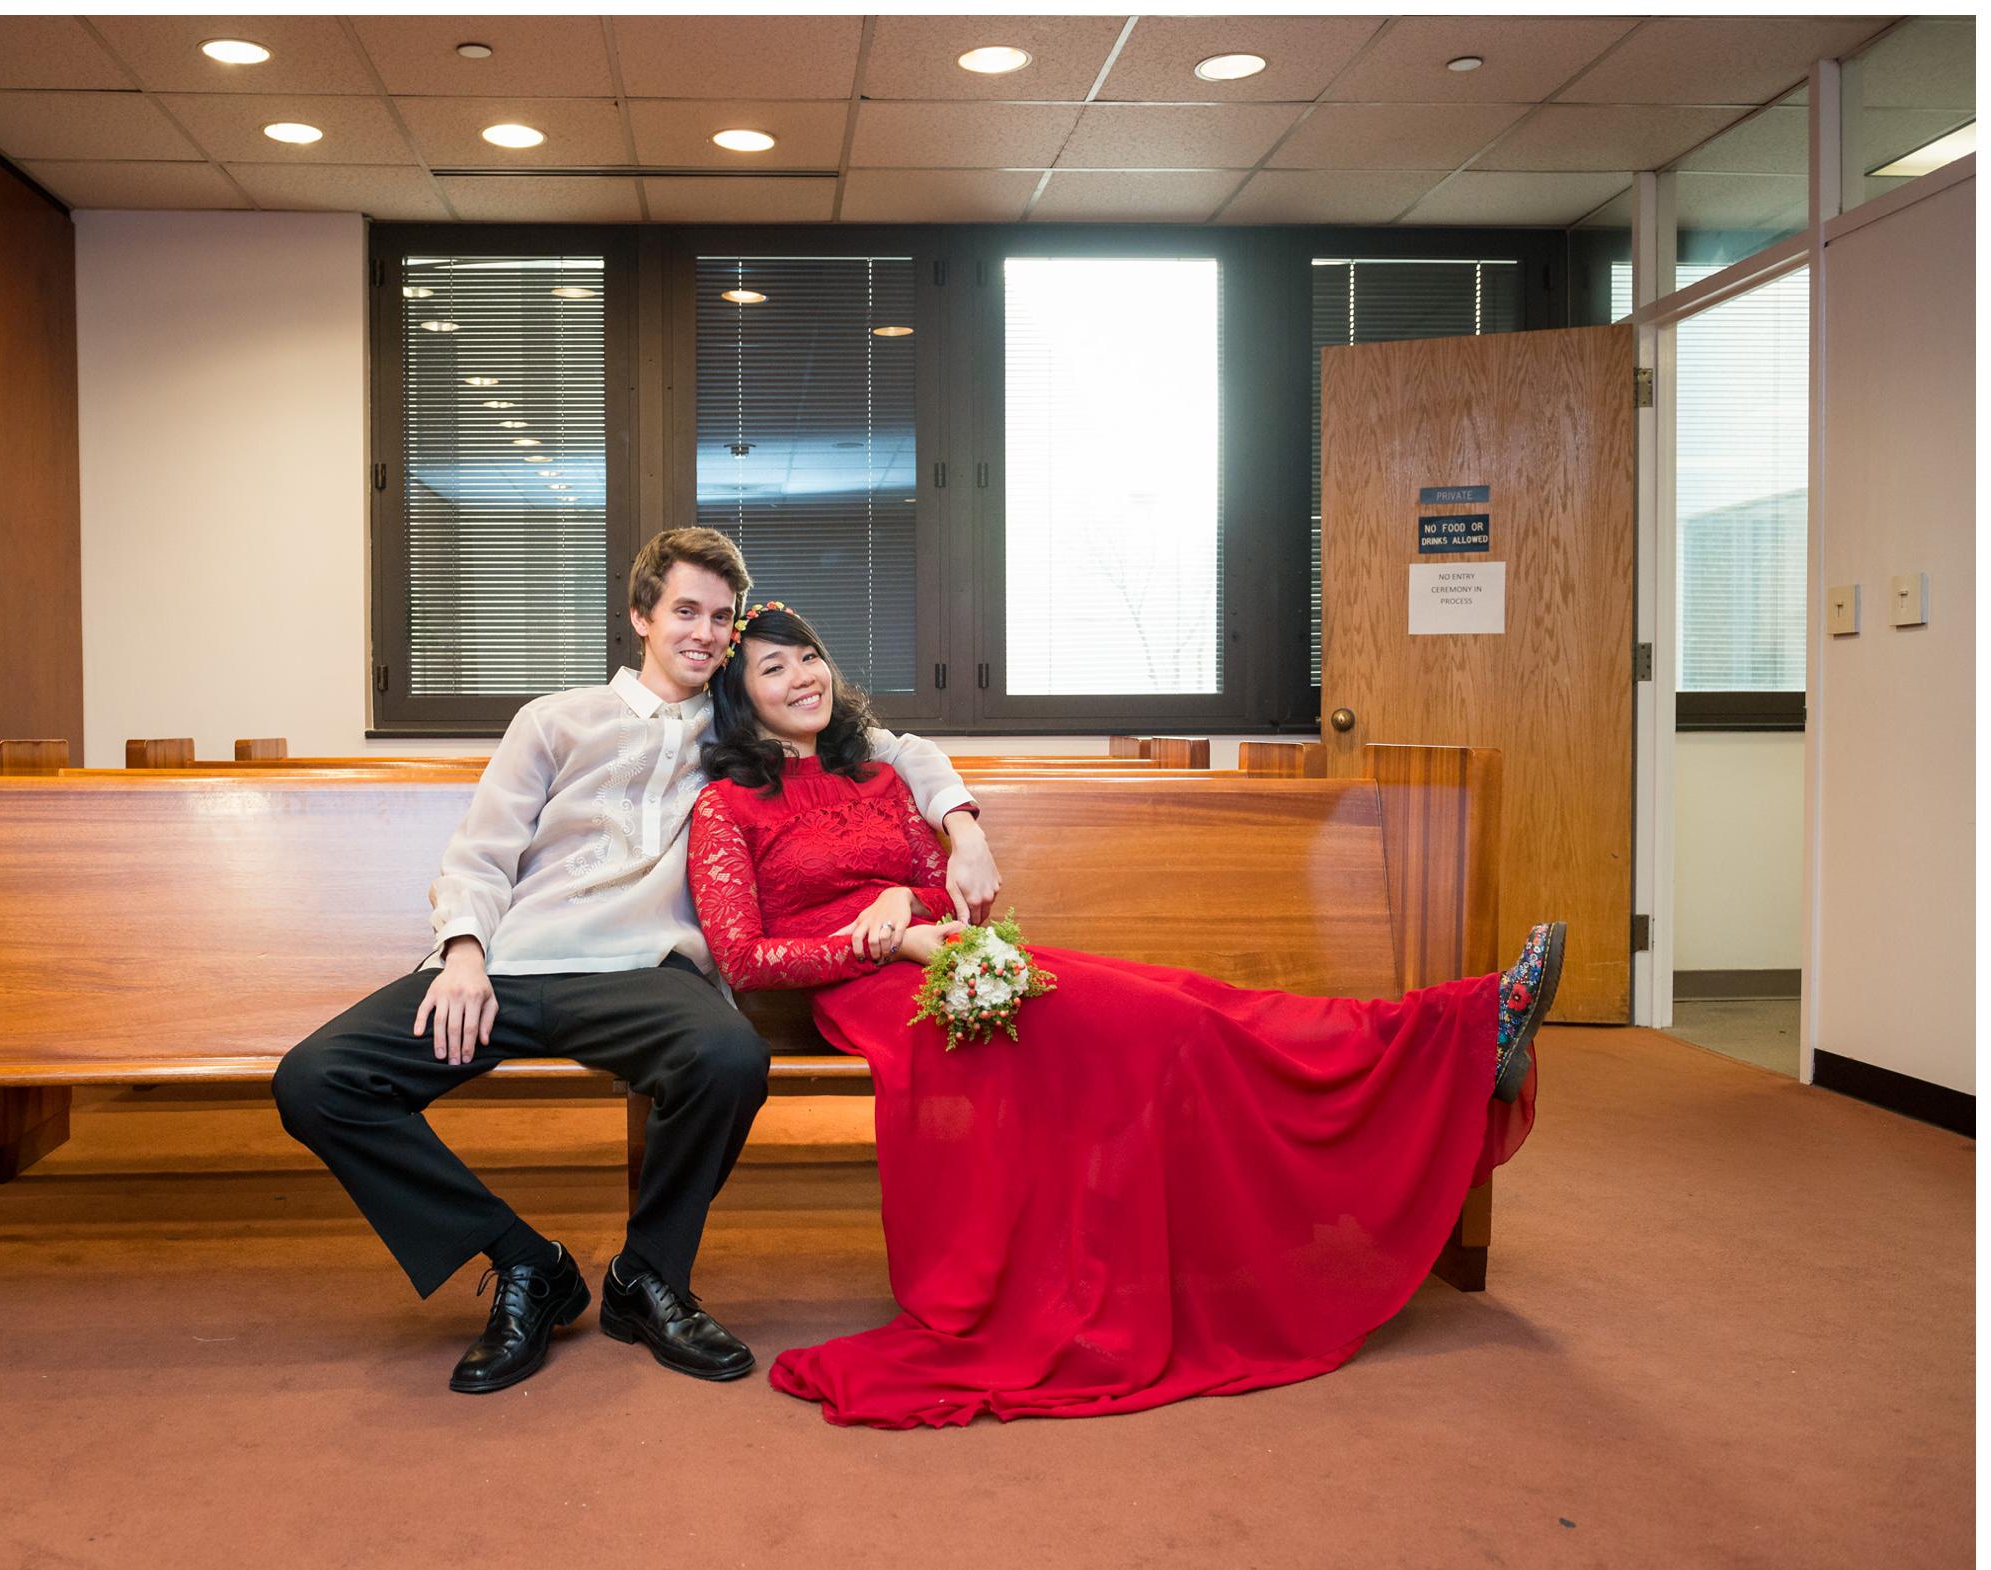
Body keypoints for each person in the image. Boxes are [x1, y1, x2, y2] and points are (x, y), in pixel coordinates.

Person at [687, 602, 1563, 1430]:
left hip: (961, 965)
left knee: (1186, 1006)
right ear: (740, 693)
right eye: (774, 666)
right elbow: (743, 955)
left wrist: (899, 900)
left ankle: (1449, 1030)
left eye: (811, 657)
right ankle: (1455, 1035)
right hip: (892, 1003)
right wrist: (879, 943)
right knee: (1168, 1029)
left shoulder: (876, 777)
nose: (804, 676)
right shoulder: (726, 806)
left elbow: (938, 886)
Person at [271, 530, 1001, 1395]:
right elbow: (480, 854)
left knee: (730, 1057)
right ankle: (523, 1265)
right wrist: (463, 953)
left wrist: (963, 824)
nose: (704, 631)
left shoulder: (742, 727)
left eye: (720, 618)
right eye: (685, 610)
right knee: (316, 1079)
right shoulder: (554, 719)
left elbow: (894, 748)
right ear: (640, 616)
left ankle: (647, 1276)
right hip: (511, 966)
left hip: (648, 975)